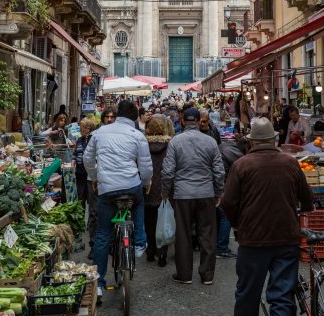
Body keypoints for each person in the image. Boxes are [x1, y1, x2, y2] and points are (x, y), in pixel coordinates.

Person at [221, 118, 314, 316]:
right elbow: (306, 197)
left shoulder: (241, 165)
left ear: (251, 142)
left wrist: (237, 224)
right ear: (274, 140)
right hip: (286, 237)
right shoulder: (290, 162)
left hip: (253, 239)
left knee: (248, 294)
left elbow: (227, 203)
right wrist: (302, 210)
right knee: (282, 295)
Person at [83, 101, 153, 302]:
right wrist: (146, 182)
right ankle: (139, 242)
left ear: (116, 114)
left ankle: (99, 283)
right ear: (133, 118)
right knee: (139, 203)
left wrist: (95, 177)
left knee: (104, 233)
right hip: (131, 186)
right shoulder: (137, 135)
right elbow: (146, 166)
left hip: (107, 189)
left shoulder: (100, 133)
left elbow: (88, 160)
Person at [161, 108, 225, 285]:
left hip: (182, 194)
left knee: (183, 234)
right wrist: (219, 191)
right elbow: (219, 171)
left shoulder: (175, 142)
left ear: (182, 121)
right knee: (207, 234)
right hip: (206, 193)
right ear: (198, 122)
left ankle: (184, 274)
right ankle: (207, 275)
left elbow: (167, 171)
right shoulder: (210, 142)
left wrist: (165, 191)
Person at [144, 118, 172, 267]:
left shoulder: (143, 144)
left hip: (148, 188)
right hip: (163, 188)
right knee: (163, 221)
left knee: (149, 223)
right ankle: (162, 254)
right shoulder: (169, 145)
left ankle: (150, 251)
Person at [216, 138, 247, 258]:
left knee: (218, 216)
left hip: (214, 184)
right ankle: (222, 248)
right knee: (225, 216)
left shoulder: (225, 146)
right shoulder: (237, 154)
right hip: (223, 185)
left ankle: (217, 245)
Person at [72, 117, 97, 259]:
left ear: (89, 128)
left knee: (92, 206)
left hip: (91, 177)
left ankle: (92, 233)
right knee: (80, 202)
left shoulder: (93, 140)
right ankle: (80, 229)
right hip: (80, 176)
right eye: (81, 127)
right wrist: (74, 160)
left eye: (83, 127)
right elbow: (76, 154)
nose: (81, 129)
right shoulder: (80, 140)